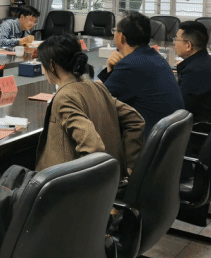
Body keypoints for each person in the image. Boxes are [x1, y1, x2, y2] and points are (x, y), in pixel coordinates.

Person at [35, 34, 144, 178]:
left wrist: (88, 187)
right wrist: (128, 168)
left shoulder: (65, 97)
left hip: (63, 185)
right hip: (111, 182)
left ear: (51, 65)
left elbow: (93, 146)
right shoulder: (97, 87)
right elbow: (136, 120)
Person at [98, 11, 184, 137]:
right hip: (167, 141)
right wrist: (111, 70)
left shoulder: (131, 65)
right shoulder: (155, 57)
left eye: (115, 30)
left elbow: (97, 99)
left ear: (122, 37)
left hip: (145, 142)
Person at [174, 21, 211, 124]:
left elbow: (178, 109)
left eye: (176, 39)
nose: (174, 42)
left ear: (188, 45)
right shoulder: (206, 61)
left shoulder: (194, 71)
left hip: (199, 129)